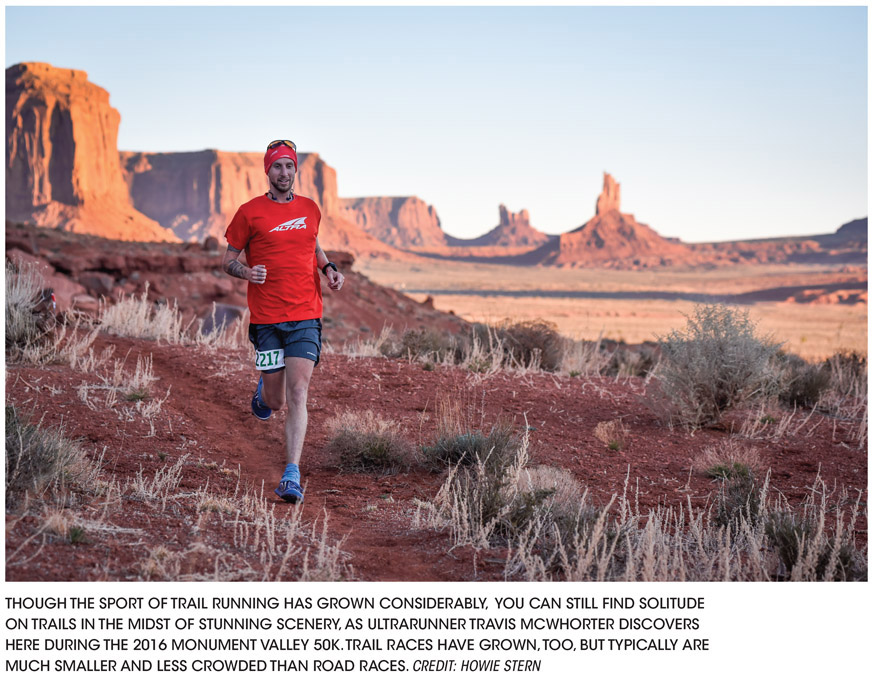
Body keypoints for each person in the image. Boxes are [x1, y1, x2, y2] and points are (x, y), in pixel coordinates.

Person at [222, 139, 344, 504]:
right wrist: (247, 271)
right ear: (267, 171)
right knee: (274, 401)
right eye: (277, 166)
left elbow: (313, 243)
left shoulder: (310, 208)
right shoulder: (249, 213)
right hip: (266, 320)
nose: (284, 173)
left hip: (306, 314)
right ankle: (263, 392)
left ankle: (291, 473)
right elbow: (227, 260)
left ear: (296, 170)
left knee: (298, 392)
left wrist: (328, 268)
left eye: (289, 166)